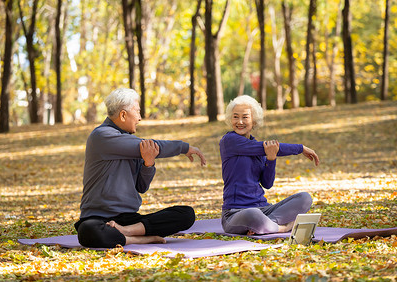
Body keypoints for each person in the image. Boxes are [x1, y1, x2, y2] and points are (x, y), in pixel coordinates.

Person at [75, 88, 206, 248]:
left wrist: (148, 164)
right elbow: (154, 145)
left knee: (186, 214)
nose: (140, 118)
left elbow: (141, 187)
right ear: (123, 115)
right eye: (137, 112)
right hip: (99, 218)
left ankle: (126, 232)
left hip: (129, 219)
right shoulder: (101, 136)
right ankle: (138, 238)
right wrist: (184, 148)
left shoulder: (131, 142)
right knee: (88, 230)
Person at [219, 95, 320, 235]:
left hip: (264, 209)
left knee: (304, 198)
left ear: (254, 121)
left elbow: (267, 183)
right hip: (235, 214)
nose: (240, 121)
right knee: (253, 214)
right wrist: (300, 148)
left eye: (245, 117)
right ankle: (281, 228)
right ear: (230, 119)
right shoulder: (229, 141)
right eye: (235, 117)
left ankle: (262, 226)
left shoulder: (260, 148)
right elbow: (269, 147)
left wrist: (271, 159)